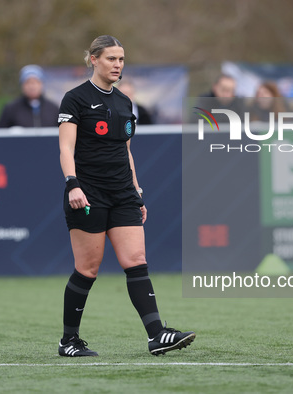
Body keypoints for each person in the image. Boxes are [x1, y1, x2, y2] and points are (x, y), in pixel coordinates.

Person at [57, 35, 195, 357]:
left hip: (123, 194)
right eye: (111, 59)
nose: (118, 64)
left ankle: (157, 335)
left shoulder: (124, 102)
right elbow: (66, 147)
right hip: (88, 194)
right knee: (87, 269)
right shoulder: (74, 99)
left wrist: (137, 191)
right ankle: (69, 341)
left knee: (136, 262)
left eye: (121, 59)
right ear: (93, 59)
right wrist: (72, 184)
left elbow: (126, 152)